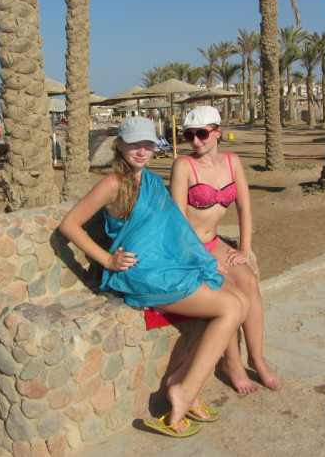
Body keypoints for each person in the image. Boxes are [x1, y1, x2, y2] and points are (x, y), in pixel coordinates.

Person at [59, 116, 249, 437]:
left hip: (164, 266)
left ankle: (182, 382)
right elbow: (69, 225)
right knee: (230, 307)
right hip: (141, 273)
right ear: (119, 145)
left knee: (239, 300)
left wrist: (201, 259)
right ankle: (184, 392)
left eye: (148, 144)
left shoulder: (151, 181)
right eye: (134, 144)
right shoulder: (112, 183)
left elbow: (174, 228)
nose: (141, 151)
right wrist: (108, 259)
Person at [169, 106, 280, 393]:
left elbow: (244, 207)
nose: (195, 141)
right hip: (191, 247)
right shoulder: (183, 166)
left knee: (250, 283)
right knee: (228, 292)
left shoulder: (233, 162)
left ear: (218, 132)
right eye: (189, 135)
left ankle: (256, 358)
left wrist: (244, 248)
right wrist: (200, 258)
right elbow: (177, 222)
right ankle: (232, 363)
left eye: (202, 134)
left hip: (215, 242)